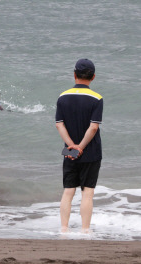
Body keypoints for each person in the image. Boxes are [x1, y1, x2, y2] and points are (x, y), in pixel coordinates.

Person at [55, 58, 103, 233]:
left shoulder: (63, 97)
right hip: (91, 152)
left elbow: (59, 124)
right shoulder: (97, 98)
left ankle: (64, 229)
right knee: (87, 192)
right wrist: (81, 146)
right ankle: (85, 230)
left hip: (70, 152)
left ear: (74, 75)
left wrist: (72, 146)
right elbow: (93, 127)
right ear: (93, 77)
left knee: (68, 191)